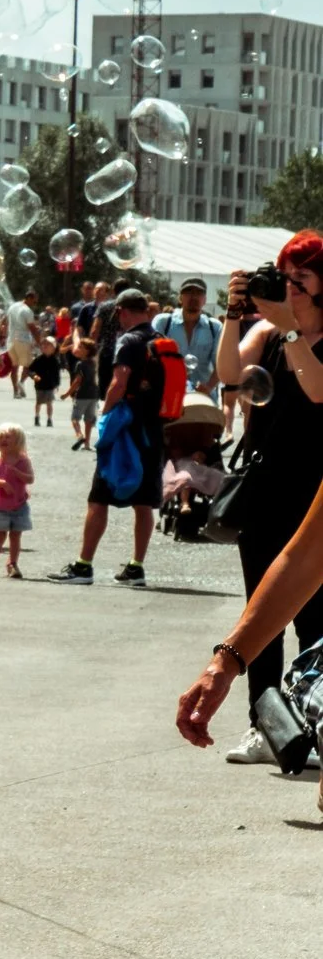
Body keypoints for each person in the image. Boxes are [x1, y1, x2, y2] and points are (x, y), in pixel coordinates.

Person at [206, 238, 323, 766]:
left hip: (316, 490)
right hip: (266, 488)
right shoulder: (269, 333)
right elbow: (229, 374)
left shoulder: (303, 336)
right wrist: (234, 314)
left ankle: (313, 720)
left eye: (302, 277)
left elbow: (319, 389)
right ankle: (266, 726)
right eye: (285, 275)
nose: (290, 286)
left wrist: (293, 327)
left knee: (317, 617)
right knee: (263, 611)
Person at [53, 288, 165, 586]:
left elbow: (118, 382)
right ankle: (136, 567)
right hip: (154, 432)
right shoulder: (162, 341)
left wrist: (105, 416)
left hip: (126, 430)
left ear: (121, 311)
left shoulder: (128, 340)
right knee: (144, 504)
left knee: (99, 498)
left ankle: (83, 566)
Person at [155, 278, 223, 398]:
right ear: (180, 298)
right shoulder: (163, 322)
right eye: (189, 292)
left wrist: (208, 387)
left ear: (205, 300)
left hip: (204, 400)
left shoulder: (214, 327)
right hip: (169, 398)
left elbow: (220, 365)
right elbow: (152, 359)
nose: (194, 297)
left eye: (199, 293)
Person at [0, 424, 33, 579]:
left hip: (20, 505)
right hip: (1, 506)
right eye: (0, 437)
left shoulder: (23, 460)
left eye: (7, 437)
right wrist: (2, 483)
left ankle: (12, 563)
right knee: (0, 534)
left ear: (18, 441)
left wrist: (18, 473)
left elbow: (30, 478)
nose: (3, 440)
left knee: (15, 535)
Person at [66, 334, 100, 450]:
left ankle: (79, 435)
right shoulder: (94, 363)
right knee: (89, 420)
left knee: (75, 418)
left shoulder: (80, 364)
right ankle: (87, 444)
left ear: (87, 351)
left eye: (81, 347)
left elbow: (77, 381)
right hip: (94, 394)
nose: (77, 349)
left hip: (82, 394)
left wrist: (67, 393)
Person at [6, 289, 41, 399]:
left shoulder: (13, 306)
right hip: (23, 340)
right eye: (34, 302)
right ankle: (21, 382)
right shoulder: (27, 311)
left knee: (14, 367)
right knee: (27, 365)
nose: (34, 304)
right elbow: (32, 329)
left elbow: (7, 321)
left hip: (10, 339)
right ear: (29, 298)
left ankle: (16, 392)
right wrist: (39, 342)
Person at [29, 334, 64, 430]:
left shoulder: (55, 360)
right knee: (39, 402)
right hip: (40, 385)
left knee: (49, 403)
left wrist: (57, 384)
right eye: (43, 345)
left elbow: (57, 374)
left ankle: (49, 419)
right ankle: (37, 416)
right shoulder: (38, 359)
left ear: (53, 348)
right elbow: (30, 370)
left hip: (50, 385)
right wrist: (34, 376)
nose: (45, 347)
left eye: (48, 345)